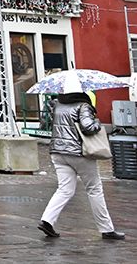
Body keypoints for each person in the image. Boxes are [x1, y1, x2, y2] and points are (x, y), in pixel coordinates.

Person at [38, 92, 125, 240]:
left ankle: (47, 220)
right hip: (79, 153)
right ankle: (107, 229)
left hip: (58, 152)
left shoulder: (57, 105)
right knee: (94, 189)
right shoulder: (83, 106)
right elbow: (88, 127)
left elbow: (47, 124)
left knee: (65, 189)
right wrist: (97, 123)